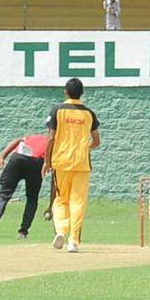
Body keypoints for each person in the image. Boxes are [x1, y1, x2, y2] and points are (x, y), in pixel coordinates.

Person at [44, 77, 101, 253]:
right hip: (81, 163)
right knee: (78, 201)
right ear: (82, 93)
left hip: (61, 161)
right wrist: (84, 148)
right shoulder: (89, 113)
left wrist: (47, 161)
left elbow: (51, 137)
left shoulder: (57, 110)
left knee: (61, 200)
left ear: (65, 92)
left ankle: (61, 230)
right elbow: (97, 141)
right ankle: (73, 241)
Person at [0, 132, 49, 240]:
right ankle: (23, 232)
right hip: (36, 162)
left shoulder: (34, 137)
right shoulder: (54, 144)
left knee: (4, 194)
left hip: (17, 158)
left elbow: (17, 141)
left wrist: (2, 156)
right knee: (32, 199)